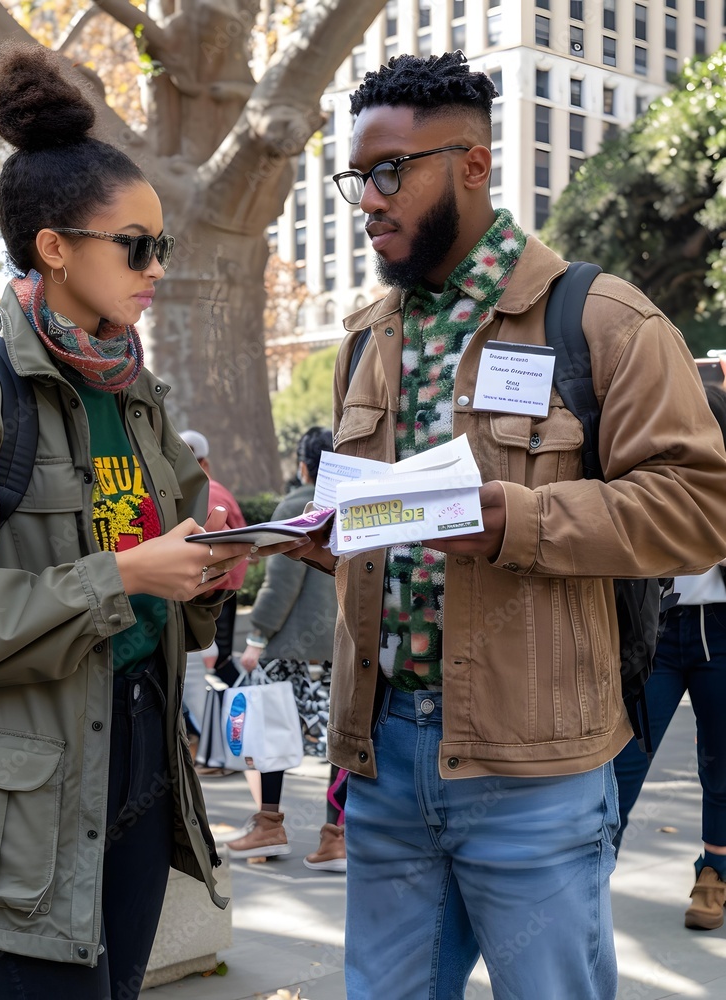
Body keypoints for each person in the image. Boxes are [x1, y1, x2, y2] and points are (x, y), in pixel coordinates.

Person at [0, 42, 302, 1000]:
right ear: (54, 247)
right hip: (27, 806)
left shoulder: (134, 388)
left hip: (143, 767)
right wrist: (126, 577)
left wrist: (210, 569)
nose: (155, 266)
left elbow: (172, 556)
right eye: (135, 246)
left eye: (163, 245)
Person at [292, 51, 726, 999]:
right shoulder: (367, 335)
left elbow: (699, 511)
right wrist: (332, 538)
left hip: (536, 770)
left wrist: (519, 521)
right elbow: (381, 530)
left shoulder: (603, 319)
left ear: (474, 165)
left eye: (388, 171)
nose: (366, 198)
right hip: (383, 757)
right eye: (355, 176)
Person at [613, 385, 726, 930]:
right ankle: (589, 866)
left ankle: (714, 874)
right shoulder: (649, 479)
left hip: (720, 630)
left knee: (720, 761)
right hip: (656, 631)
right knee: (625, 754)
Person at [226, 427, 340, 863]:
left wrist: (257, 636)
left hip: (291, 646)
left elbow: (279, 586)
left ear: (303, 463)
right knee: (340, 741)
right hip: (343, 647)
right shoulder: (357, 503)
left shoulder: (298, 506)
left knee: (271, 736)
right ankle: (336, 836)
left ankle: (269, 826)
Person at [179, 428, 248, 765]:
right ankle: (222, 743)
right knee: (216, 664)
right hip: (222, 589)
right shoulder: (219, 490)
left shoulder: (200, 492)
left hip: (207, 592)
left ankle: (224, 744)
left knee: (213, 665)